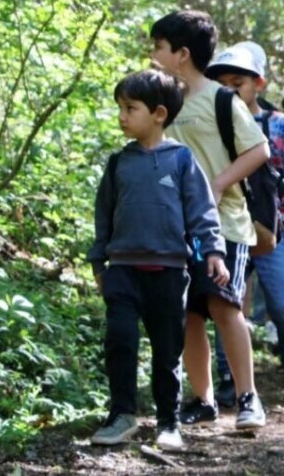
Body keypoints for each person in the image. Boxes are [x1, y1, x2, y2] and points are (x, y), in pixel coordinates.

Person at [87, 69, 228, 451]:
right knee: (120, 341)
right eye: (120, 107)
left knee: (168, 351)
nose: (121, 116)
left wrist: (213, 251)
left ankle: (169, 421)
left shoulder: (181, 160)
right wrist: (99, 264)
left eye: (130, 108)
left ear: (159, 114)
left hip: (169, 272)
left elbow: (201, 211)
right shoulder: (118, 164)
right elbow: (104, 216)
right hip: (122, 270)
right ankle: (122, 414)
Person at [149, 10, 270, 430]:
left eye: (159, 47)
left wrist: (216, 185)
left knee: (224, 305)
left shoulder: (222, 99)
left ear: (182, 54)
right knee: (188, 314)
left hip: (225, 225)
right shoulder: (161, 102)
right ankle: (201, 400)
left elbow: (258, 150)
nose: (153, 54)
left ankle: (248, 397)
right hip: (174, 228)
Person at [206, 42, 284, 406]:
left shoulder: (278, 124)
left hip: (274, 227)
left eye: (238, 82)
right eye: (223, 84)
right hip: (228, 227)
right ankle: (229, 378)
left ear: (259, 84)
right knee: (228, 302)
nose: (231, 90)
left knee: (283, 303)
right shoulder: (212, 123)